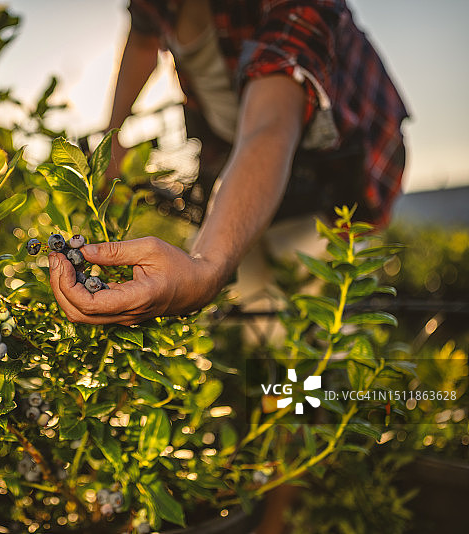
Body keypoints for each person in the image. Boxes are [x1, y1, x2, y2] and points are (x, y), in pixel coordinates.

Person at [48, 0, 408, 325]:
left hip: (332, 164)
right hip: (233, 154)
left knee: (315, 321)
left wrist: (206, 265)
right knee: (255, 317)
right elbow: (143, 39)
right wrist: (112, 135)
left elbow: (269, 127)